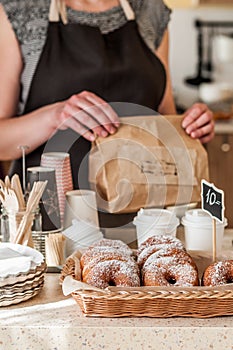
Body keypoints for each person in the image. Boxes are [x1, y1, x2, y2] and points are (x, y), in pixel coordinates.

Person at [0, 0, 214, 226]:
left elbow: (164, 121)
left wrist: (190, 127)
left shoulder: (150, 10)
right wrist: (54, 117)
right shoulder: (22, 10)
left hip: (145, 223)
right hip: (49, 226)